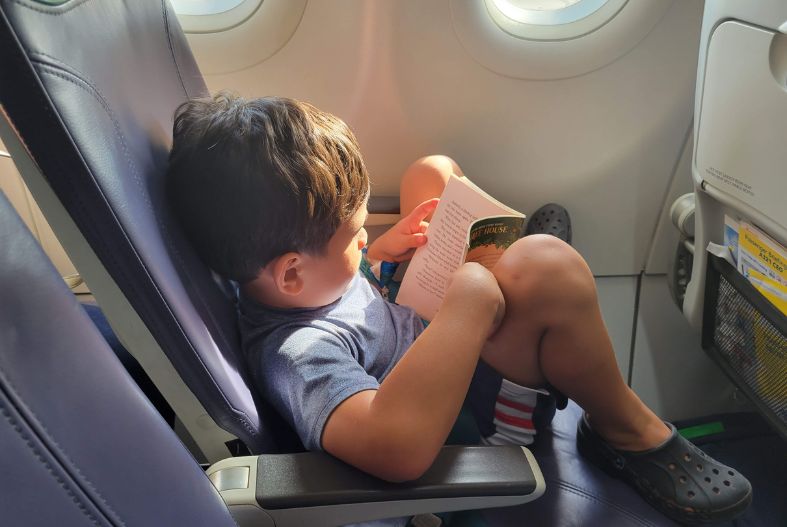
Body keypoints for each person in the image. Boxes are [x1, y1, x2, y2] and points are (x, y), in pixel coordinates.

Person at [166, 93, 752, 526]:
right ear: (292, 272)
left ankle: (506, 253)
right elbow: (395, 446)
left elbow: (343, 299)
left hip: (415, 328)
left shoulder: (283, 284)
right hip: (474, 415)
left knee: (432, 171)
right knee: (550, 266)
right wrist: (468, 303)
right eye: (354, 234)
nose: (366, 233)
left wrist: (374, 264)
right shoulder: (299, 354)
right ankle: (623, 425)